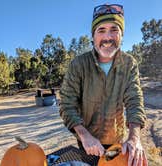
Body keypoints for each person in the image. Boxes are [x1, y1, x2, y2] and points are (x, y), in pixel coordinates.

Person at [60, 3, 148, 166]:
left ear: (121, 35)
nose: (108, 38)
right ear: (93, 36)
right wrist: (84, 135)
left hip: (116, 142)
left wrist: (134, 138)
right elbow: (67, 104)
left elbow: (134, 100)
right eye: (101, 30)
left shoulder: (129, 63)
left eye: (114, 30)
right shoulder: (78, 64)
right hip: (87, 141)